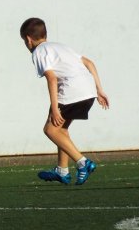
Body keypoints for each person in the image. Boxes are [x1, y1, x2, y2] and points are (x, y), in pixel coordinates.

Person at [20, 17, 109, 185]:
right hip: (88, 90)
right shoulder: (60, 46)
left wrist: (54, 108)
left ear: (28, 39)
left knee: (50, 130)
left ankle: (83, 163)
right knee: (61, 129)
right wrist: (99, 89)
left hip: (72, 90)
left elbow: (52, 79)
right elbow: (89, 62)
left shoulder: (39, 52)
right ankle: (62, 171)